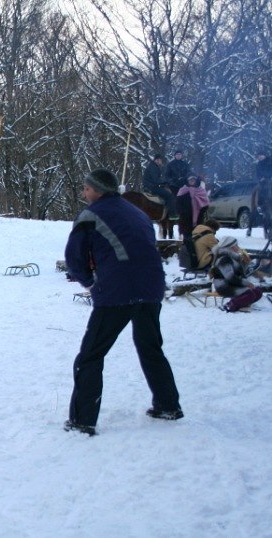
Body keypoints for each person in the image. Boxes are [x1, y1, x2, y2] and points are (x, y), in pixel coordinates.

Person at [64, 168, 183, 436]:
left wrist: (90, 283)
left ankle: (82, 421)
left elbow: (75, 257)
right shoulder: (138, 213)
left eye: (86, 188)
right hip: (152, 287)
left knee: (91, 355)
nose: (84, 193)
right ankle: (167, 405)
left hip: (117, 291)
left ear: (96, 190)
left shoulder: (90, 215)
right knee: (150, 347)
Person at [209, 236, 263, 312]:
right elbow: (230, 277)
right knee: (249, 294)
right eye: (236, 245)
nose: (238, 247)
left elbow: (240, 274)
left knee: (257, 291)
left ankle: (243, 304)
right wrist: (247, 284)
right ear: (230, 247)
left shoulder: (233, 257)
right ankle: (229, 305)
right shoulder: (224, 258)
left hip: (232, 284)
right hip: (224, 286)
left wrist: (246, 263)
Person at [142, 154, 177, 220]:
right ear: (154, 160)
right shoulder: (153, 167)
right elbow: (156, 180)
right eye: (157, 160)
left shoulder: (154, 166)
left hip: (151, 186)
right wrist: (166, 182)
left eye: (159, 160)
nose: (158, 161)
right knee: (169, 196)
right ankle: (172, 214)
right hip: (151, 187)